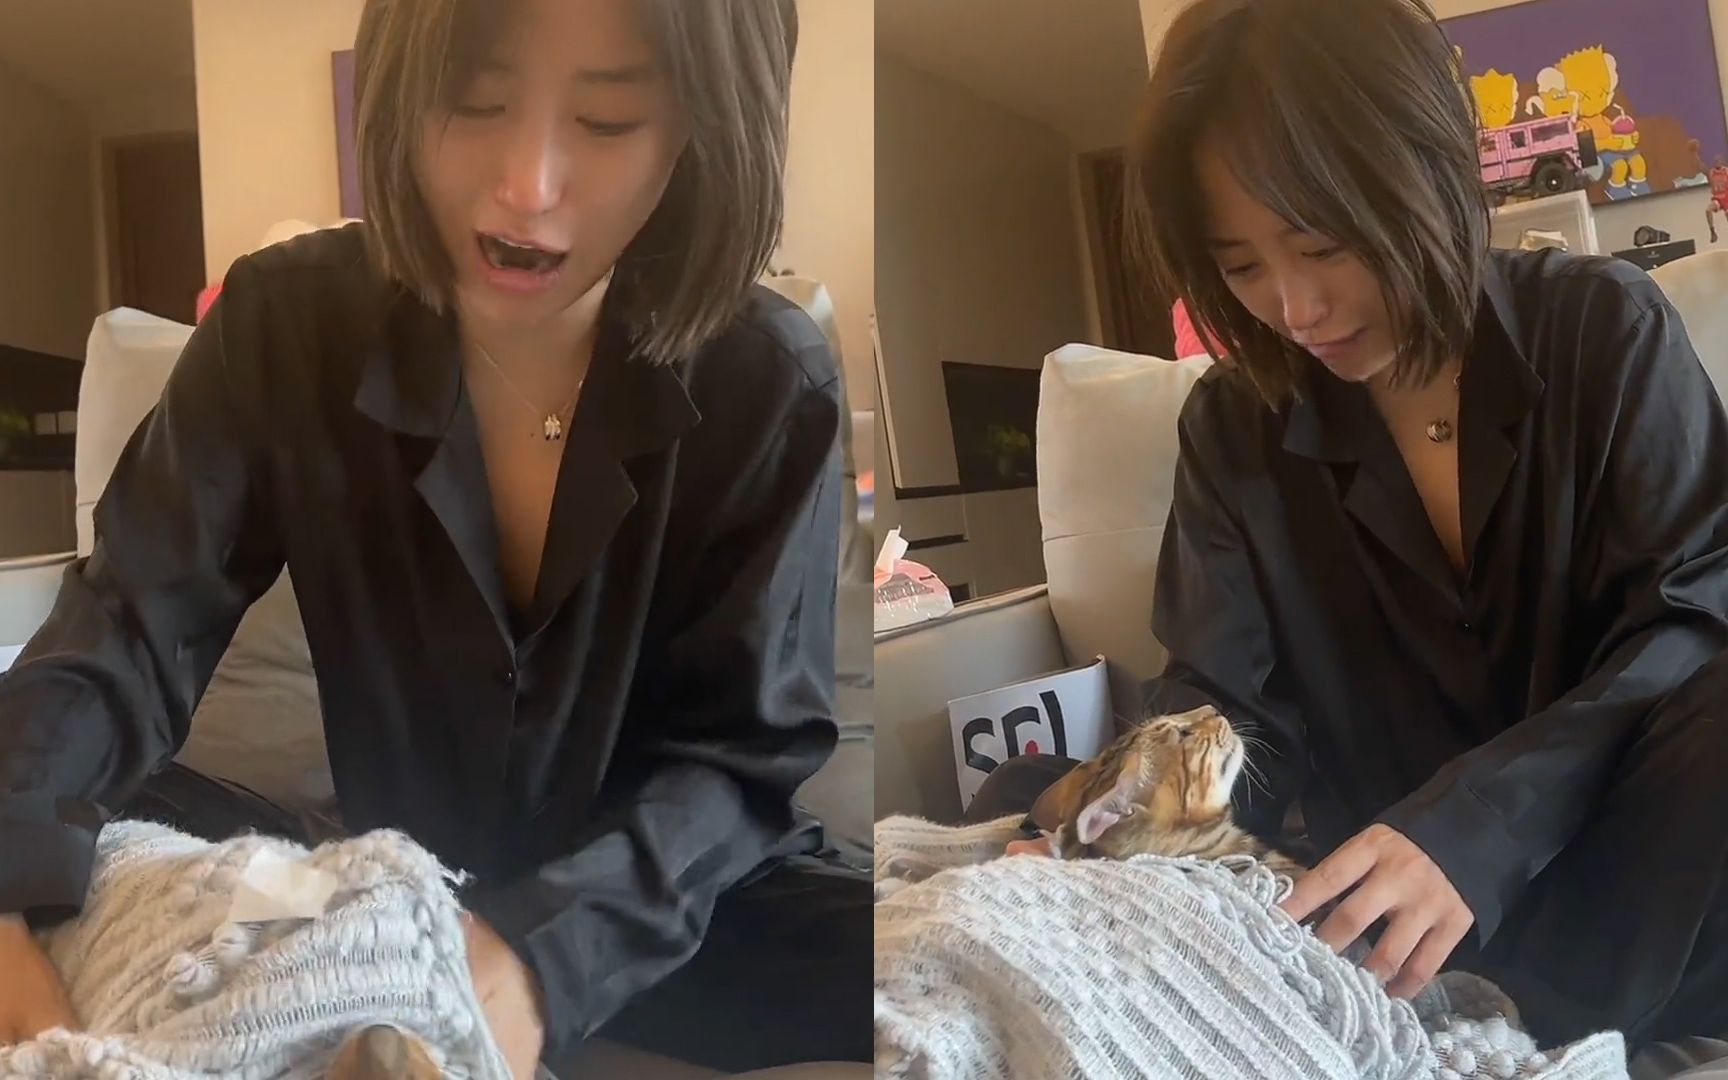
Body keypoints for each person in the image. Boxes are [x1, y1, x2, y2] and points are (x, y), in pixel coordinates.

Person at [0, 0, 868, 1074]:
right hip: (393, 880)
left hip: (669, 913)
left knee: (915, 957)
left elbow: (740, 760)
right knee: (54, 796)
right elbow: (128, 623)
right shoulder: (284, 324)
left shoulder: (771, 379)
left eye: (607, 121)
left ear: (702, 129)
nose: (527, 186)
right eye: (475, 102)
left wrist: (535, 962)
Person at [975, 0, 1728, 1057]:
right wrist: (1100, 841)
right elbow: (1226, 704)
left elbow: (1693, 623)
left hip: (1633, 880)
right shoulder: (1235, 425)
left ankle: (1512, 1031)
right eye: (1241, 266)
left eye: (1322, 245)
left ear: (1427, 171)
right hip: (1380, 922)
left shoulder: (1604, 331)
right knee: (1040, 801)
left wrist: (1478, 824)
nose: (1295, 309)